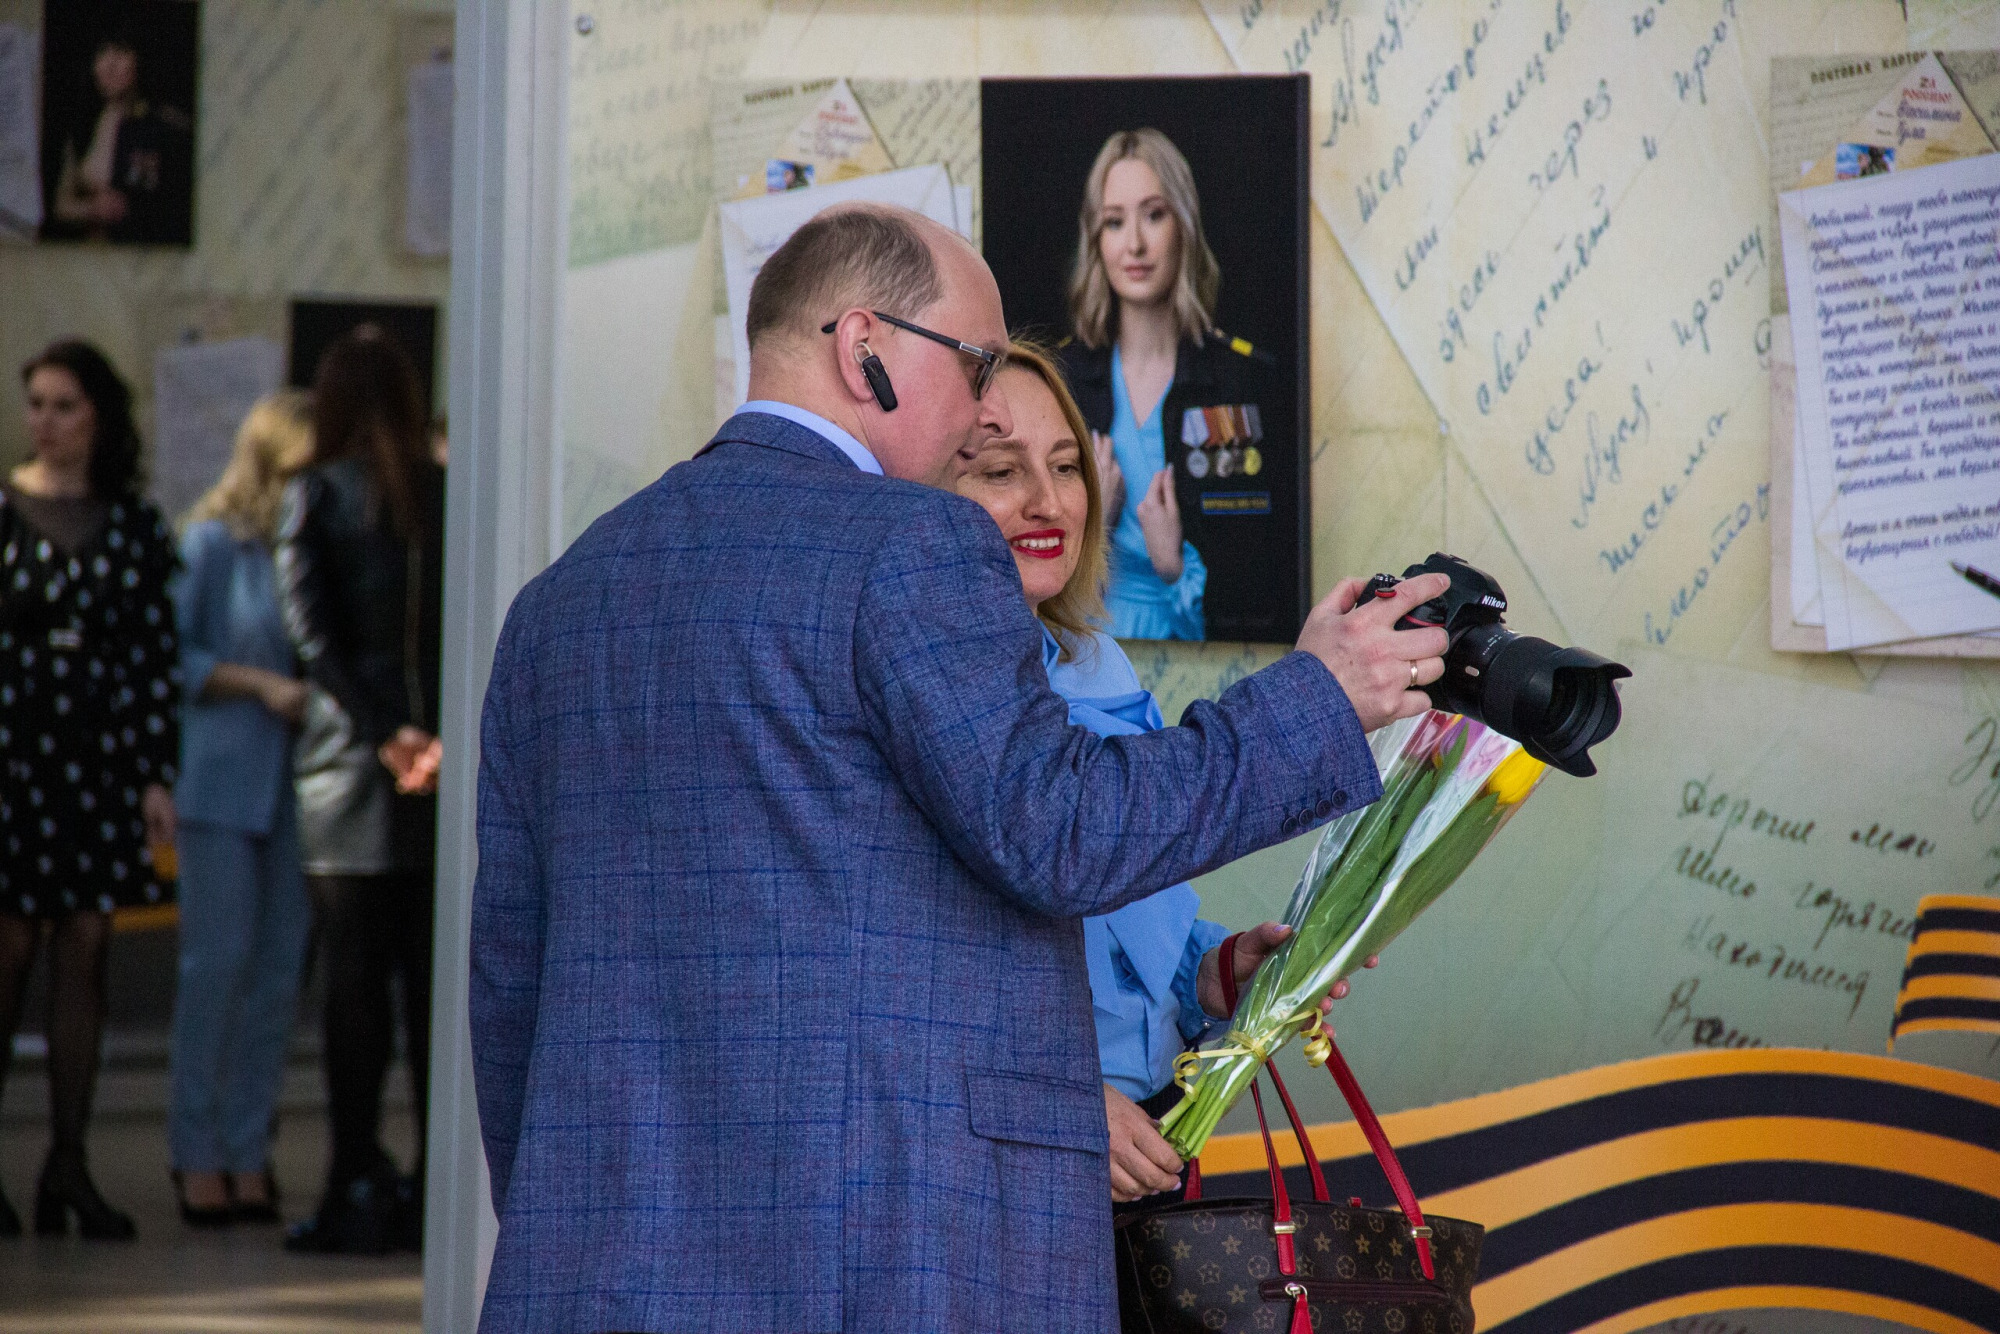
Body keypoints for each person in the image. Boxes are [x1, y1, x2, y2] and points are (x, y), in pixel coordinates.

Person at [470, 202, 1448, 1333]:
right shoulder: (911, 541)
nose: (988, 401)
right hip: (889, 1262)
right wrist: (1319, 694)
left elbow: (510, 985)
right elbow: (1062, 826)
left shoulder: (559, 601)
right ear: (863, 347)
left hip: (599, 1263)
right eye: (975, 363)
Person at [949, 345, 1374, 1209]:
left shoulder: (1094, 662)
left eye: (1067, 466)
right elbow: (897, 990)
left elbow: (1125, 908)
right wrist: (1059, 1101)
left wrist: (1211, 972)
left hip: (1156, 1149)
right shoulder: (929, 697)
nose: (1048, 500)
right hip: (1008, 1184)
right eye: (1001, 470)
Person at [0, 340, 179, 1240]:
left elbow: (152, 657)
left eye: (64, 404)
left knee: (86, 950)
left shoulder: (134, 523)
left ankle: (68, 1160)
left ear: (98, 415)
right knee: (7, 951)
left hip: (98, 758)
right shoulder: (2, 509)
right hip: (14, 755)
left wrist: (153, 773)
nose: (47, 420)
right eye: (35, 402)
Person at [275, 327, 444, 1255]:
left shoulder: (313, 492)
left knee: (352, 989)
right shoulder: (447, 490)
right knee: (426, 987)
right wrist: (430, 733)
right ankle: (429, 1184)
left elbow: (313, 637)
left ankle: (351, 1181)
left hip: (350, 769)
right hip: (439, 763)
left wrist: (384, 736)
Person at [167, 390, 316, 1227]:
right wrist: (259, 683)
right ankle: (196, 1152)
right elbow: (174, 653)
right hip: (223, 781)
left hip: (297, 785)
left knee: (274, 980)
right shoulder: (213, 542)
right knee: (213, 973)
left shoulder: (312, 540)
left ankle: (249, 1147)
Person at [1058, 127, 1276, 642]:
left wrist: (1173, 566)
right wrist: (1097, 529)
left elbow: (1261, 573)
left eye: (1154, 215)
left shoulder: (1241, 377)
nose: (1134, 243)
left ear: (1184, 226)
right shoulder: (1060, 378)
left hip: (1201, 647)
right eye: (1114, 222)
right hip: (1083, 647)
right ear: (1096, 239)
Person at [48, 28, 194, 245]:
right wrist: (92, 209)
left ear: (140, 59)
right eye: (102, 53)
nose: (109, 65)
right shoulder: (82, 125)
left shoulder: (165, 125)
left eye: (120, 52)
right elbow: (61, 206)